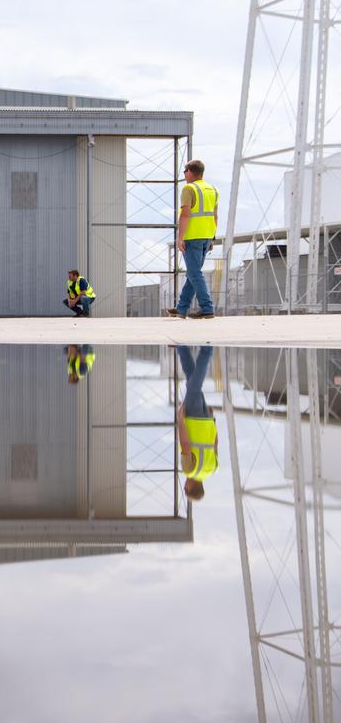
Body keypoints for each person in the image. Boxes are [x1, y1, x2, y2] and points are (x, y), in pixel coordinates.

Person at [168, 159, 218, 319]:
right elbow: (215, 215)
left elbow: (185, 214)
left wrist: (180, 238)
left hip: (192, 236)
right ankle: (182, 308)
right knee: (192, 272)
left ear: (190, 171)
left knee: (194, 273)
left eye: (184, 171)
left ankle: (207, 307)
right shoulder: (212, 189)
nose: (184, 174)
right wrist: (212, 238)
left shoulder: (188, 189)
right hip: (206, 236)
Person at [176, 345, 218, 500]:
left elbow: (215, 444)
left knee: (191, 380)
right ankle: (207, 350)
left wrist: (212, 420)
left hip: (206, 421)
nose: (184, 485)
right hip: (193, 418)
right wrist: (180, 421)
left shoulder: (212, 469)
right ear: (189, 487)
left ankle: (181, 347)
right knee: (194, 387)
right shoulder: (190, 471)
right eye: (185, 488)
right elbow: (186, 445)